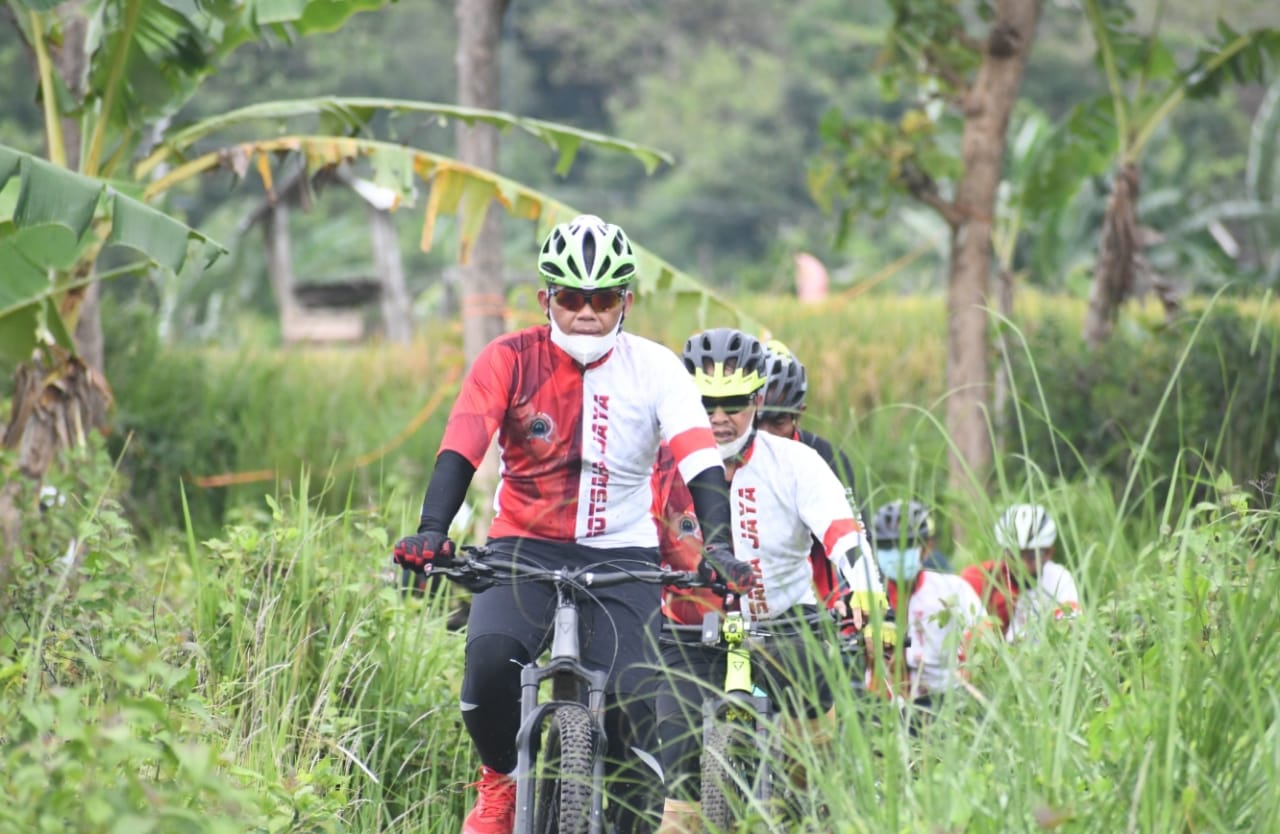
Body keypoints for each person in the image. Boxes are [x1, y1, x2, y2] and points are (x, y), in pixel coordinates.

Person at [392, 215, 755, 834]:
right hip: (522, 547)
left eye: (604, 298)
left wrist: (716, 544)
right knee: (488, 668)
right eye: (571, 298)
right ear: (546, 299)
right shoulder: (507, 359)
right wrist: (431, 529)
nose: (587, 312)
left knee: (638, 708)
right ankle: (501, 782)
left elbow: (699, 458)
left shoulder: (658, 368)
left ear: (626, 302)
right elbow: (463, 444)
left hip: (622, 557)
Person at [651, 327, 884, 833]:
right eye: (704, 403)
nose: (717, 418)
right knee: (679, 782)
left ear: (758, 398)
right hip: (690, 632)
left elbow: (842, 532)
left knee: (811, 721)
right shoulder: (658, 462)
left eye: (733, 403)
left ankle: (810, 805)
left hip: (782, 621)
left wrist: (866, 588)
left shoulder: (797, 462)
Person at [755, 340, 869, 604]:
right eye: (757, 422)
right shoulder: (724, 457)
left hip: (814, 602)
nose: (766, 436)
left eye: (778, 422)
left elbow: (856, 534)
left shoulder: (825, 457)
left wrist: (869, 602)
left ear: (799, 414)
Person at [869, 500, 983, 705]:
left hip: (947, 698)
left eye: (905, 544)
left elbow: (983, 631)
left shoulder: (952, 588)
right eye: (887, 546)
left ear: (926, 547)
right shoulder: (868, 596)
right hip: (889, 705)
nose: (896, 553)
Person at [960, 503, 1081, 643]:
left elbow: (1072, 628)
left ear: (1048, 553)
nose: (1022, 565)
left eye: (1031, 556)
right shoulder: (980, 578)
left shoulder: (1059, 579)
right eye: (1014, 555)